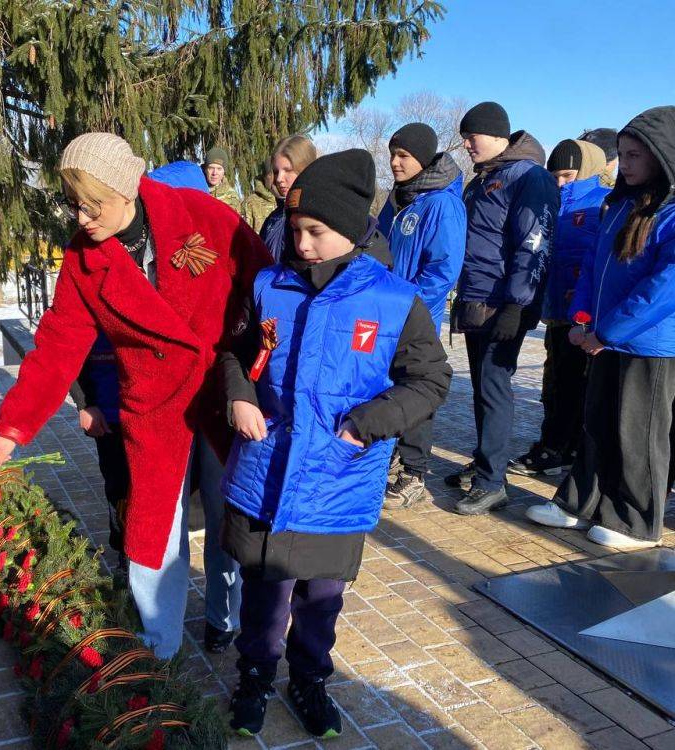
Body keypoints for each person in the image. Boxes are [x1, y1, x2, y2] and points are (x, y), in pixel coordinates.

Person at [0, 133, 272, 659]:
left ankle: (224, 620)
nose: (81, 219)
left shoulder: (201, 215)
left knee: (234, 513)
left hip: (222, 389)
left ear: (128, 189)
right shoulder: (83, 259)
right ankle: (157, 648)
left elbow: (265, 282)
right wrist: (13, 427)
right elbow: (58, 343)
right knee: (154, 530)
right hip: (155, 405)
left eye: (91, 206)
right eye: (72, 205)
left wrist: (258, 367)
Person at [219, 150, 451, 738]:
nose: (301, 243)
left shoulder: (395, 301)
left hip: (338, 476)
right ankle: (255, 675)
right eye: (295, 230)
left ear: (349, 229)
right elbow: (236, 353)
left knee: (321, 598)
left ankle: (309, 679)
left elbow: (429, 381)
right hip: (267, 469)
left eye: (315, 232)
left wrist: (367, 423)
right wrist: (239, 396)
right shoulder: (269, 285)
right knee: (264, 593)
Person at [526, 106, 675, 550]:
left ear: (662, 156)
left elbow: (663, 288)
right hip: (605, 337)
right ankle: (580, 503)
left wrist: (608, 332)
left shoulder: (669, 212)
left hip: (649, 346)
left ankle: (635, 519)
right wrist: (583, 320)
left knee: (639, 435)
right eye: (622, 155)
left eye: (633, 156)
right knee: (596, 424)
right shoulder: (617, 205)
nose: (623, 165)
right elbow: (593, 266)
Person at [69, 161, 210, 571]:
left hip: (182, 408)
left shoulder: (195, 261)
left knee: (175, 502)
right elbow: (72, 338)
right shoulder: (102, 261)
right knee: (124, 489)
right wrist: (85, 401)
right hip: (112, 405)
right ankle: (126, 559)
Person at [445, 102, 559, 515]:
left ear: (497, 134)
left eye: (471, 135)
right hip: (477, 300)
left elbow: (535, 241)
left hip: (504, 305)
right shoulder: (482, 181)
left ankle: (493, 481)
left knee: (495, 389)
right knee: (481, 389)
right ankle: (484, 462)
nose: (466, 143)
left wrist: (518, 302)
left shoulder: (529, 177)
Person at [377, 122, 466, 508]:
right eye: (392, 155)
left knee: (416, 388)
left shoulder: (441, 203)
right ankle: (395, 454)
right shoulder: (400, 199)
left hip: (416, 317)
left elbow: (444, 268)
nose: (395, 163)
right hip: (387, 310)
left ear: (423, 159)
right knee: (391, 385)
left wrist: (407, 305)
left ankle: (414, 472)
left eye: (403, 156)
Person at [508, 139, 610, 478]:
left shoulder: (603, 205)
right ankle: (554, 446)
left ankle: (564, 449)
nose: (561, 182)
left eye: (568, 174)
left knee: (575, 388)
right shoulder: (550, 202)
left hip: (585, 316)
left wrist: (588, 316)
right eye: (556, 176)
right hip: (555, 312)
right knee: (553, 386)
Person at [260, 134, 318, 261]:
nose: (279, 179)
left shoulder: (321, 217)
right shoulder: (273, 218)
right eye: (276, 171)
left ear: (306, 169)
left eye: (288, 170)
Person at [202, 146, 243, 213]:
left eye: (219, 169)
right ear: (205, 169)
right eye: (211, 168)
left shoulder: (232, 196)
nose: (214, 173)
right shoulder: (196, 188)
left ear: (224, 171)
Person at [242, 160, 277, 233]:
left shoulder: (289, 201)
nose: (274, 178)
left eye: (276, 173)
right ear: (264, 177)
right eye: (270, 174)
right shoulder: (251, 203)